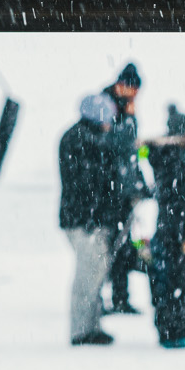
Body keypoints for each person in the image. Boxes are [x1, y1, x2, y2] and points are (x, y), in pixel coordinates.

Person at [59, 93, 121, 346]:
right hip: (84, 222)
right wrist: (95, 214)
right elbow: (88, 183)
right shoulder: (80, 141)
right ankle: (81, 331)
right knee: (88, 275)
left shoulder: (86, 138)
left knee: (96, 272)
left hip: (88, 219)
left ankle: (91, 325)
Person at [147, 105, 185, 348]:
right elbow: (181, 200)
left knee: (166, 283)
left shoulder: (161, 157)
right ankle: (183, 332)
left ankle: (170, 331)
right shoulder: (176, 160)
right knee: (184, 283)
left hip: (166, 230)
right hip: (175, 232)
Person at [102, 63, 149, 312]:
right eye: (134, 90)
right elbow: (118, 147)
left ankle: (120, 297)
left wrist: (139, 183)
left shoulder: (123, 107)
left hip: (122, 189)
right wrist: (128, 118)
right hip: (110, 191)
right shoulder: (106, 107)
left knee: (121, 244)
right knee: (111, 245)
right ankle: (105, 298)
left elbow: (133, 153)